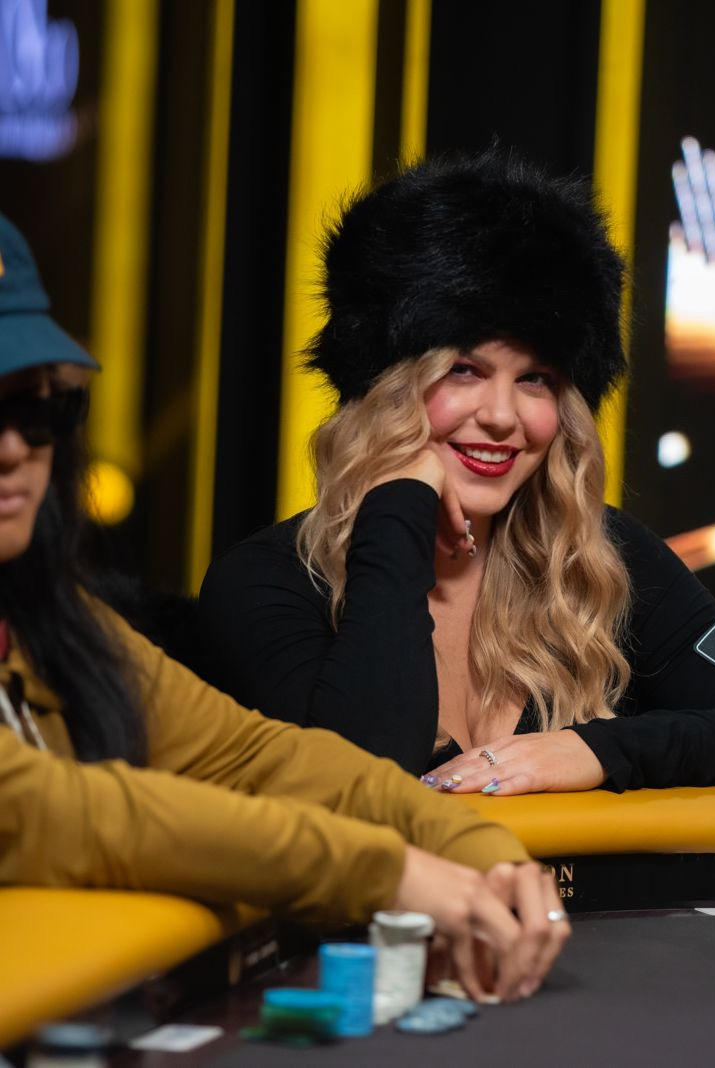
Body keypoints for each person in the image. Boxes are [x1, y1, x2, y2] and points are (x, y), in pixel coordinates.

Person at [0, 213, 567, 1004]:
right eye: (465, 371)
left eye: (36, 414)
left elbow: (256, 759)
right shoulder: (266, 574)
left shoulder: (55, 626)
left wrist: (480, 851)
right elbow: (66, 811)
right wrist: (394, 873)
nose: (12, 451)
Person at [197, 151, 715, 794]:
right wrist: (399, 504)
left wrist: (592, 749)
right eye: (464, 371)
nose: (503, 417)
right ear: (385, 388)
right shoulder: (265, 581)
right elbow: (364, 781)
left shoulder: (601, 559)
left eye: (536, 379)